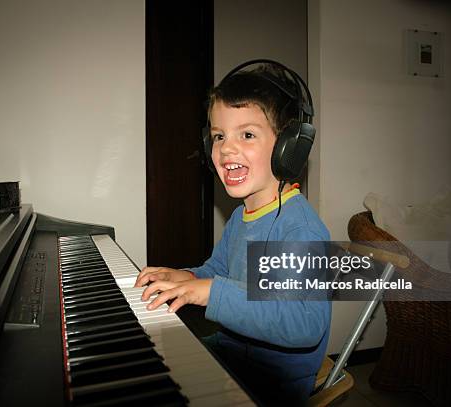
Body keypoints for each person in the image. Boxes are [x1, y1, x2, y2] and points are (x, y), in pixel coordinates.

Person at [134, 61, 331, 406]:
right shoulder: (243, 217)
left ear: (289, 146)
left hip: (273, 381)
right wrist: (189, 276)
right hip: (233, 353)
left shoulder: (300, 229)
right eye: (219, 136)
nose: (226, 149)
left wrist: (211, 292)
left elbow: (304, 324)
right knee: (144, 363)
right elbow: (220, 271)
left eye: (247, 134)